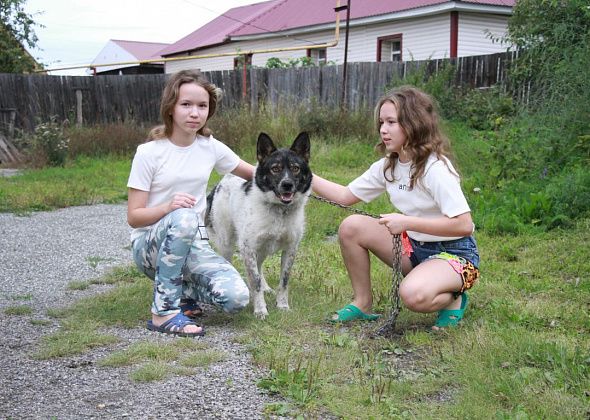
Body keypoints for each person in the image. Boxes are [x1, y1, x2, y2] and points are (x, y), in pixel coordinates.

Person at [312, 86, 480, 330]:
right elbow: (344, 196)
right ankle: (362, 303)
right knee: (352, 227)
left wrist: (407, 222)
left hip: (454, 254)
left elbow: (463, 225)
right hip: (415, 250)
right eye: (381, 122)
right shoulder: (388, 166)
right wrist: (304, 176)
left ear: (414, 123)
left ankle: (454, 298)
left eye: (391, 122)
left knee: (412, 295)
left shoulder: (435, 169)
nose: (383, 129)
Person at [127, 70, 254, 337]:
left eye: (202, 106)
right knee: (185, 216)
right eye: (186, 104)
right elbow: (134, 217)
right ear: (171, 107)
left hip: (193, 243)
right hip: (150, 246)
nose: (194, 113)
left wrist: (304, 178)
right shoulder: (148, 153)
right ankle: (163, 313)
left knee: (237, 299)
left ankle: (183, 294)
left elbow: (256, 174)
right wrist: (167, 208)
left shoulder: (210, 147)